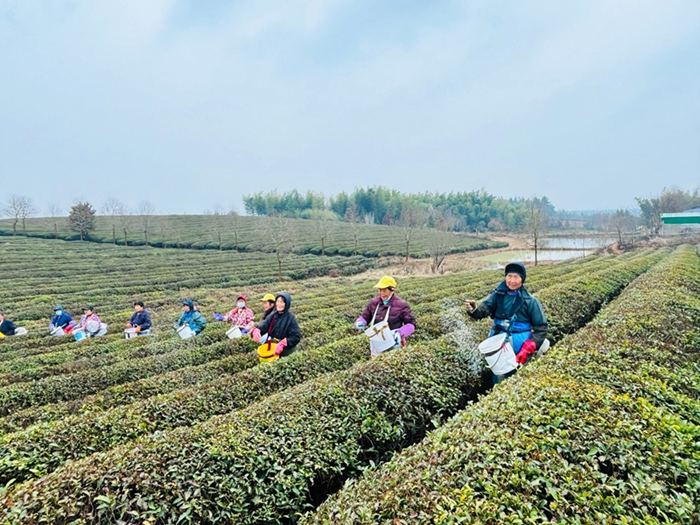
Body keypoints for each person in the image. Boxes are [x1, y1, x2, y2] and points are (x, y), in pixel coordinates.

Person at [465, 262, 548, 382]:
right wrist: (474, 310)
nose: (512, 280)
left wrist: (529, 347)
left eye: (516, 277)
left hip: (520, 343)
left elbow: (541, 327)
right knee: (499, 373)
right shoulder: (497, 295)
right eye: (509, 276)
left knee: (519, 374)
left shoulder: (530, 301)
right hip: (499, 340)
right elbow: (484, 310)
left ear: (522, 279)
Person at [354, 275, 416, 357]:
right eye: (380, 290)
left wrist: (400, 333)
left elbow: (411, 324)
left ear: (392, 290)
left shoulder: (401, 305)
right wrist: (360, 322)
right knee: (377, 362)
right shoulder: (374, 303)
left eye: (384, 290)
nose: (381, 293)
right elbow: (365, 316)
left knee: (393, 361)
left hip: (394, 342)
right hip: (377, 341)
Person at [251, 293, 301, 358]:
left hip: (287, 351)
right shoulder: (272, 315)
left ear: (286, 304)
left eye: (282, 302)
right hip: (273, 347)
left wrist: (284, 343)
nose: (279, 304)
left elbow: (296, 337)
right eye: (278, 301)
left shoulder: (291, 319)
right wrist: (257, 330)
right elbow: (264, 325)